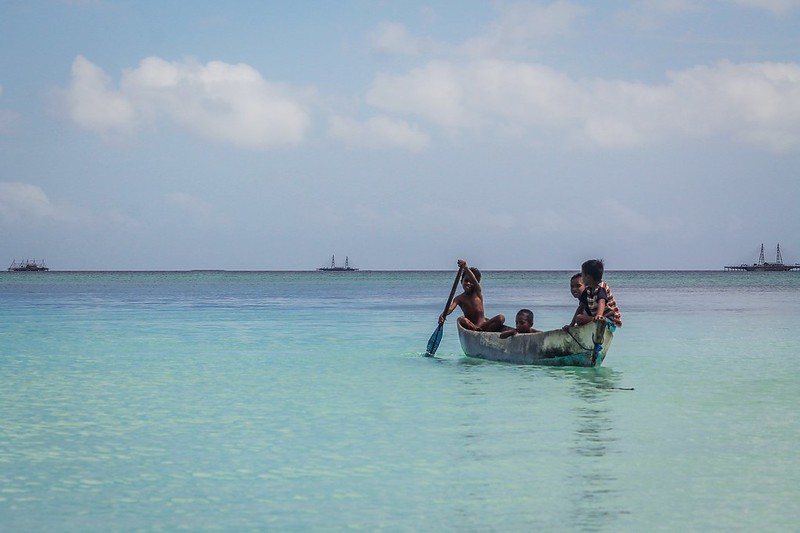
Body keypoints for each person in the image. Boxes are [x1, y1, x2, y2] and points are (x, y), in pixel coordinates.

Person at [439, 259, 506, 332]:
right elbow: (450, 308)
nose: (468, 283)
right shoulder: (459, 298)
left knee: (501, 317)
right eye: (466, 281)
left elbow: (474, 280)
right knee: (462, 320)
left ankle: (485, 332)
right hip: (471, 326)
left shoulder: (477, 292)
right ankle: (477, 330)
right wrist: (443, 315)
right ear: (461, 282)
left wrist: (466, 267)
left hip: (484, 325)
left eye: (471, 282)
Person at [565, 259, 622, 329]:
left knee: (579, 318)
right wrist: (571, 325)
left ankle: (599, 322)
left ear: (588, 277)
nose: (582, 277)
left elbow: (602, 301)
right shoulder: (588, 289)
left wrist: (599, 315)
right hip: (598, 320)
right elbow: (581, 307)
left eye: (583, 274)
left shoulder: (601, 287)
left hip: (609, 322)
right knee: (579, 318)